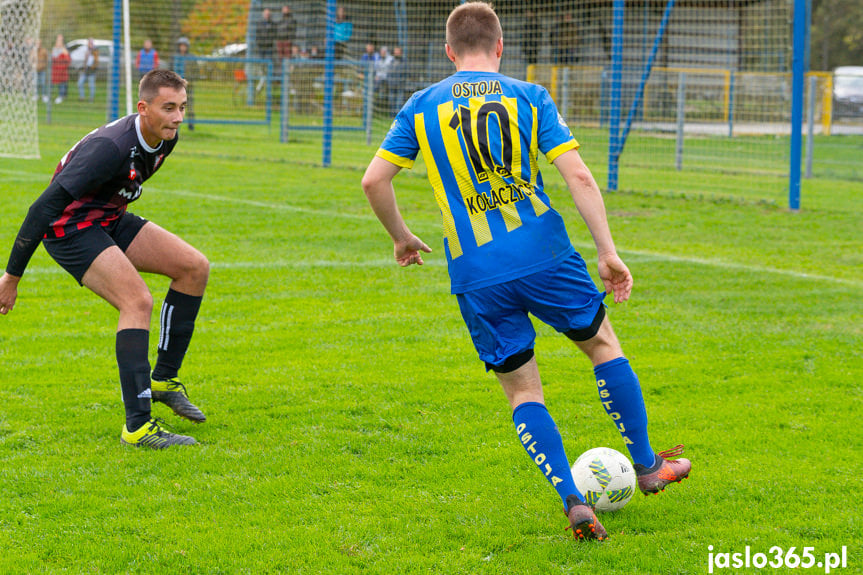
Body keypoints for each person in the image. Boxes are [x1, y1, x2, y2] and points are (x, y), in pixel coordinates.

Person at [361, 1, 691, 541]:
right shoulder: (530, 96)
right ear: (499, 47)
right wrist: (607, 251)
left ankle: (572, 500)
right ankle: (649, 466)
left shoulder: (420, 105)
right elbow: (579, 176)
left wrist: (402, 238)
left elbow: (374, 181)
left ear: (449, 51)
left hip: (475, 270)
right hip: (545, 255)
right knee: (603, 345)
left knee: (522, 392)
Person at [0, 70, 209, 450]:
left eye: (182, 107)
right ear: (143, 108)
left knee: (193, 268)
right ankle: (139, 427)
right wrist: (11, 277)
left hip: (106, 217)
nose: (178, 117)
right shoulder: (110, 148)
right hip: (69, 228)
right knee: (137, 300)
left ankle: (162, 380)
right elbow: (43, 208)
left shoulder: (165, 136)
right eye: (169, 108)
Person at [173, 37, 195, 131]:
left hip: (188, 86)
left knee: (189, 105)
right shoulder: (175, 57)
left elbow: (195, 71)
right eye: (181, 45)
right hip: (176, 86)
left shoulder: (191, 58)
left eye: (184, 46)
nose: (182, 47)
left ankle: (191, 125)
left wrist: (190, 80)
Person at [50, 34, 70, 104]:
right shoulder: (54, 49)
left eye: (60, 40)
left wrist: (62, 68)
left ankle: (61, 96)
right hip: (55, 71)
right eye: (58, 40)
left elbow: (67, 61)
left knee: (62, 84)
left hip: (61, 71)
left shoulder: (64, 50)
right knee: (51, 83)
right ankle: (48, 95)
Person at [35, 38, 49, 103]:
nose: (38, 45)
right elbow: (31, 58)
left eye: (39, 43)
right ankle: (36, 95)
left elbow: (47, 59)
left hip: (42, 70)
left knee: (43, 83)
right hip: (35, 70)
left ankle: (44, 95)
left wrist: (45, 65)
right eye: (37, 43)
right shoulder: (33, 50)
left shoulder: (44, 50)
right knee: (35, 83)